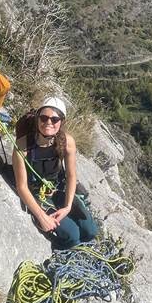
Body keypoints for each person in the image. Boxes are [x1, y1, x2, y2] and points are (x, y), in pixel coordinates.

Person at [12, 97, 98, 249]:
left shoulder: (66, 141)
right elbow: (22, 187)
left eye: (54, 119)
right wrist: (41, 216)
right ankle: (66, 250)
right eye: (43, 118)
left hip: (60, 190)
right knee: (73, 236)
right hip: (39, 195)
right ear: (37, 119)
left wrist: (67, 207)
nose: (48, 123)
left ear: (61, 122)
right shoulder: (22, 145)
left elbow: (71, 176)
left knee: (90, 231)